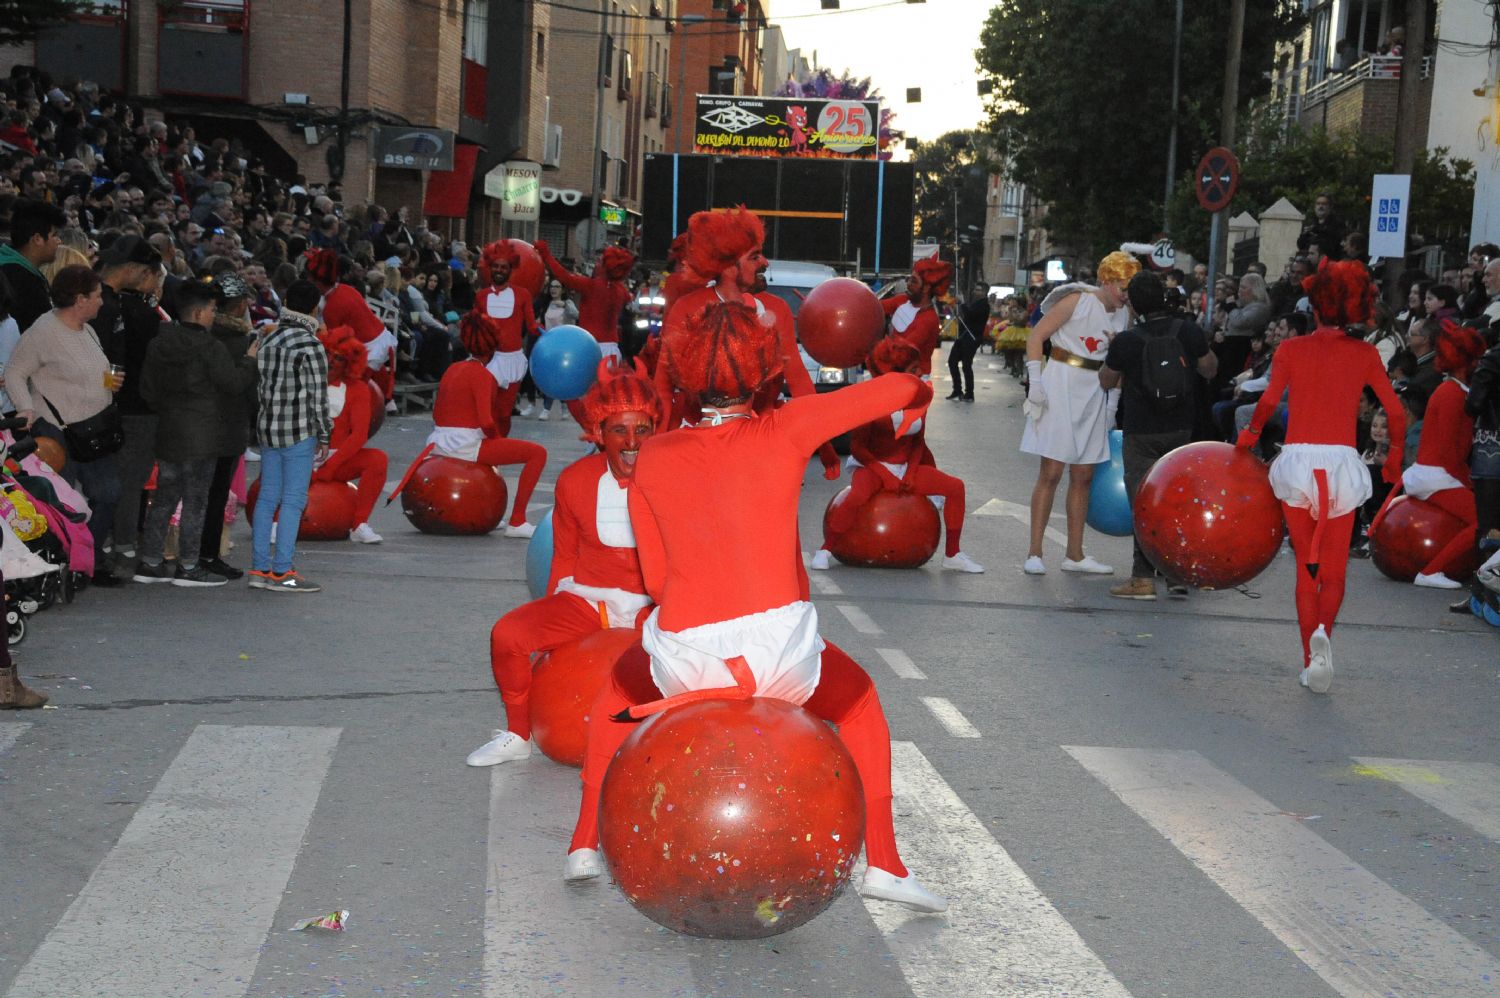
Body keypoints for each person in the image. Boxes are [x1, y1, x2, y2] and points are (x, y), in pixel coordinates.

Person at [562, 296, 947, 914]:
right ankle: (885, 866)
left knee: (614, 697)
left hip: (687, 659)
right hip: (782, 657)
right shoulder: (790, 427)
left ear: (683, 373)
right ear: (766, 371)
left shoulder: (653, 455)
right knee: (863, 705)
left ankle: (582, 844)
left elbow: (657, 582)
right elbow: (903, 387)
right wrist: (907, 379)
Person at [467, 358, 660, 767]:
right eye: (619, 430)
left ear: (655, 431)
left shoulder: (676, 478)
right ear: (599, 433)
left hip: (654, 609)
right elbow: (566, 555)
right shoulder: (575, 480)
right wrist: (555, 615)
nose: (631, 441)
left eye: (641, 429)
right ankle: (519, 734)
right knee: (508, 635)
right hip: (589, 603)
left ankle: (673, 744)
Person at [1237, 259, 1405, 693]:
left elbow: (1268, 403)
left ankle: (1310, 660)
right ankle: (1325, 635)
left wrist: (1248, 437)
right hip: (1342, 465)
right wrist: (1393, 459)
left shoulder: (1291, 350)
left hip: (1298, 463)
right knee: (1335, 568)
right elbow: (1397, 411)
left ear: (1315, 305)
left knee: (1305, 569)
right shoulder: (1365, 354)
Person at [810, 337, 983, 573]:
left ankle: (953, 553)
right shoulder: (870, 399)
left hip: (904, 467)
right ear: (895, 373)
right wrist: (884, 475)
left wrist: (910, 473)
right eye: (914, 369)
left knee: (955, 488)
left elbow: (918, 442)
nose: (921, 372)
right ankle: (826, 549)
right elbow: (858, 448)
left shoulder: (919, 396)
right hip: (871, 466)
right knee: (857, 496)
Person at [1020, 251, 1141, 575]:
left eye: (1129, 289)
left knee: (1084, 475)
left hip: (1094, 391)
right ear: (1107, 281)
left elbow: (1119, 362)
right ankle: (1035, 552)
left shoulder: (1124, 315)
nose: (1126, 296)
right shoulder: (1076, 300)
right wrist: (1036, 382)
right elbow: (1037, 336)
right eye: (1122, 288)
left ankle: (1074, 555)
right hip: (1060, 383)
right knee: (1051, 471)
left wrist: (1113, 403)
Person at [132, 280, 258, 587]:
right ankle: (188, 565)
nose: (215, 315)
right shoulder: (210, 347)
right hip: (203, 434)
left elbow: (147, 390)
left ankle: (149, 562)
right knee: (196, 501)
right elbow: (233, 384)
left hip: (170, 430)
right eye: (213, 310)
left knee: (163, 498)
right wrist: (250, 361)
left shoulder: (159, 343)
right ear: (200, 313)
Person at [1100, 272, 1217, 599]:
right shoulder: (1188, 330)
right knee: (1177, 501)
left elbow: (1106, 380)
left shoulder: (1128, 340)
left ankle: (1142, 578)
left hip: (1141, 432)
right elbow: (1210, 368)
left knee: (1144, 505)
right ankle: (1178, 575)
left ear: (1134, 306)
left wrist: (1115, 351)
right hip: (1181, 429)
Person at [6, 264, 124, 586]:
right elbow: (16, 372)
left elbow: (91, 369)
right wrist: (26, 408)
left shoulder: (87, 329)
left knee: (109, 493)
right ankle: (66, 565)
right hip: (58, 430)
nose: (102, 301)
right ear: (80, 299)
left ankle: (88, 558)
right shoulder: (43, 331)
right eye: (98, 296)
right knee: (64, 502)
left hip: (95, 428)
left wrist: (107, 385)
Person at [390, 303, 547, 538]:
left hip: (438, 442)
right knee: (537, 454)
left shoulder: (452, 369)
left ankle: (510, 518)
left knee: (501, 449)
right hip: (466, 445)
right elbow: (486, 422)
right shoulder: (485, 376)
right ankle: (518, 520)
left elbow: (437, 414)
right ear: (492, 346)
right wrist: (496, 445)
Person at [1388, 322, 1487, 589]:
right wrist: (1469, 483)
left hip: (1436, 473)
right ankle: (1432, 571)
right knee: (1483, 520)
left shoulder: (1452, 391)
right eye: (1477, 358)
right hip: (1438, 476)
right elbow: (1449, 453)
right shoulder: (1453, 395)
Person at [250, 279, 331, 593]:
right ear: (313, 308)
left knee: (268, 499)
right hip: (299, 430)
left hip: (268, 428)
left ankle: (259, 568)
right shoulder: (310, 345)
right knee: (294, 501)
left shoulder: (268, 339)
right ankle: (283, 570)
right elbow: (317, 397)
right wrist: (325, 434)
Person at [94, 235, 165, 570]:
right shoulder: (108, 306)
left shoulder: (114, 303)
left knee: (117, 478)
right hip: (127, 406)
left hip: (116, 402)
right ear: (138, 270)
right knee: (128, 479)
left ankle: (112, 541)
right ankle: (120, 544)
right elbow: (109, 358)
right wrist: (111, 391)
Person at [195, 272, 259, 577]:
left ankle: (190, 553)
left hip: (198, 423)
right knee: (215, 492)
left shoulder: (200, 336)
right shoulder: (239, 342)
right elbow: (244, 387)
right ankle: (206, 554)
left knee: (196, 491)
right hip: (227, 426)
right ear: (238, 305)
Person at [312, 325, 387, 544]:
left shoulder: (358, 389)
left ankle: (359, 524)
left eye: (339, 358)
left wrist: (332, 466)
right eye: (328, 355)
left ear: (349, 364)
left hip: (338, 458)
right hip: (301, 457)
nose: (332, 362)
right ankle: (276, 522)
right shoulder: (303, 381)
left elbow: (359, 435)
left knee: (377, 459)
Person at [470, 241, 538, 438]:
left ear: (511, 269)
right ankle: (488, 447)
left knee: (504, 413)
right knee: (487, 410)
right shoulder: (481, 296)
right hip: (487, 361)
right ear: (490, 268)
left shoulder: (522, 295)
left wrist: (551, 337)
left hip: (512, 361)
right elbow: (475, 328)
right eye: (495, 266)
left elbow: (532, 326)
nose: (499, 270)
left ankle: (499, 447)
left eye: (504, 267)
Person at [534, 240, 634, 362]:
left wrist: (546, 255)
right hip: (612, 349)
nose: (596, 264)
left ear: (604, 267)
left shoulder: (590, 286)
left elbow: (565, 277)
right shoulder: (621, 291)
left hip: (589, 345)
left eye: (599, 261)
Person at [881, 258, 952, 380]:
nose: (907, 284)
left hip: (915, 379)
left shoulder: (929, 320)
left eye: (913, 281)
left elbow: (905, 351)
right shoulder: (901, 300)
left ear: (926, 288)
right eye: (909, 279)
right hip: (895, 373)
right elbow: (874, 307)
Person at [0, 200, 64, 332]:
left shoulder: (18, 271)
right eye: (55, 235)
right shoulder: (20, 280)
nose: (59, 241)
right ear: (37, 239)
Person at [948, 284, 988, 401]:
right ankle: (957, 390)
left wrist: (962, 303)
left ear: (984, 292)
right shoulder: (975, 303)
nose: (975, 292)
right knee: (952, 362)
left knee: (966, 365)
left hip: (971, 338)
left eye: (978, 290)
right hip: (962, 337)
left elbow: (971, 315)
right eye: (975, 289)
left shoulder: (984, 305)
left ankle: (969, 393)